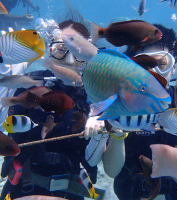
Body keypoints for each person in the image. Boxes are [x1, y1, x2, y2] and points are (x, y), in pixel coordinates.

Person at [85, 24, 177, 200]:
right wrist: (116, 130)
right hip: (134, 193)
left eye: (162, 64)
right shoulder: (118, 103)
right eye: (143, 66)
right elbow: (111, 170)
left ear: (174, 67)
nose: (153, 72)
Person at [0, 18, 101, 200]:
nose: (69, 59)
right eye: (62, 49)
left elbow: (104, 163)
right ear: (50, 49)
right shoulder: (24, 83)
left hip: (71, 192)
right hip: (21, 190)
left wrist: (106, 131)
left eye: (77, 51)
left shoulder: (95, 96)